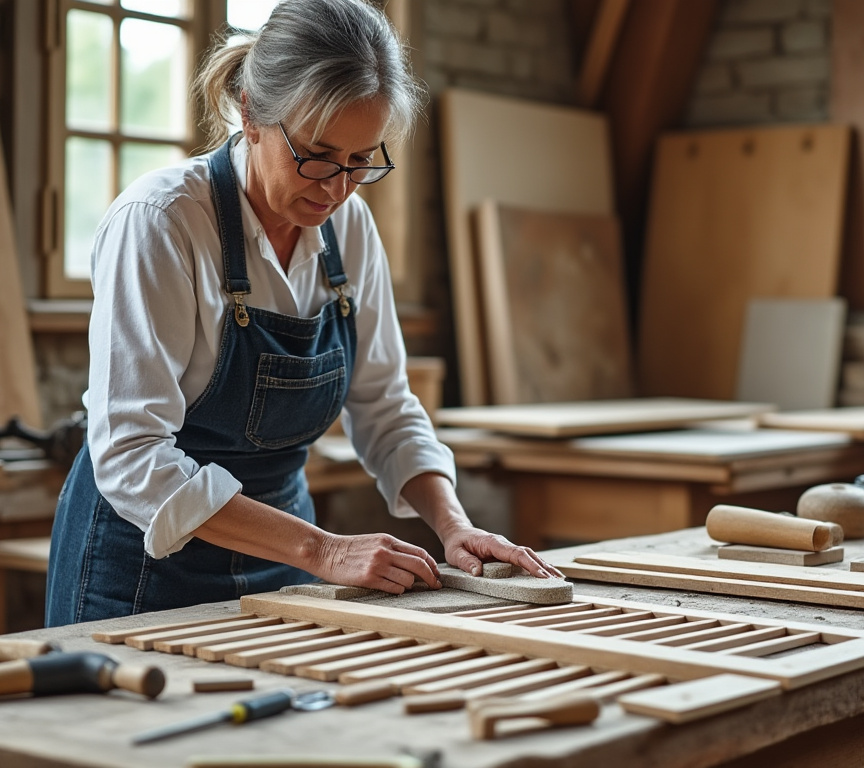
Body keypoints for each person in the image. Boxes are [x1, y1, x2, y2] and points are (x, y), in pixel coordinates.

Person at [46, 0, 561, 627]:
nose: (336, 187)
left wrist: (454, 526)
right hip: (143, 568)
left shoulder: (351, 227)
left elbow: (384, 406)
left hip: (285, 559)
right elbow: (132, 455)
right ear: (250, 114)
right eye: (316, 154)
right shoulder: (162, 223)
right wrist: (324, 550)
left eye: (361, 160)